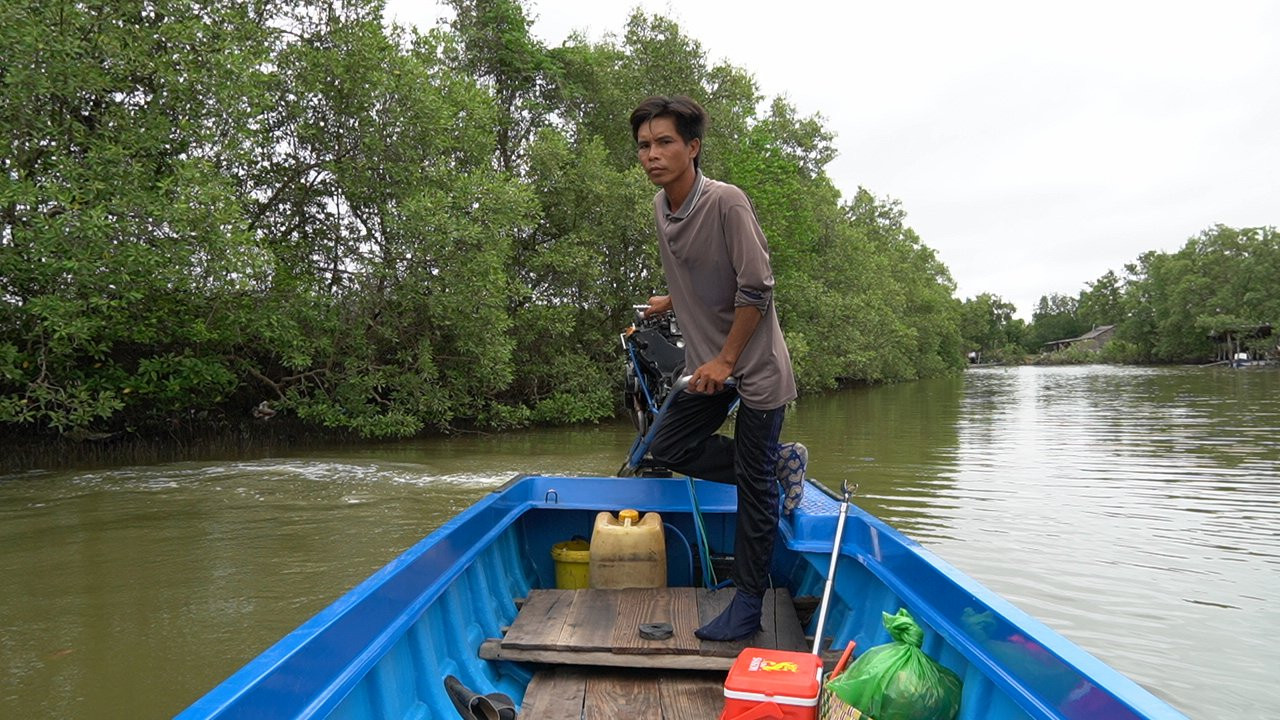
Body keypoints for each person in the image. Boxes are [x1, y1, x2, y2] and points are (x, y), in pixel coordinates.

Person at [630, 95, 808, 642]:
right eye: (644, 145)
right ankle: (779, 462)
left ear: (693, 147)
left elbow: (756, 288)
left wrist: (727, 359)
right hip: (705, 364)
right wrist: (672, 302)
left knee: (754, 491)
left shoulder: (727, 203)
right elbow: (702, 276)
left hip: (750, 367)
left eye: (665, 142)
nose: (653, 155)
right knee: (667, 447)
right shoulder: (663, 209)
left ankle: (749, 604)